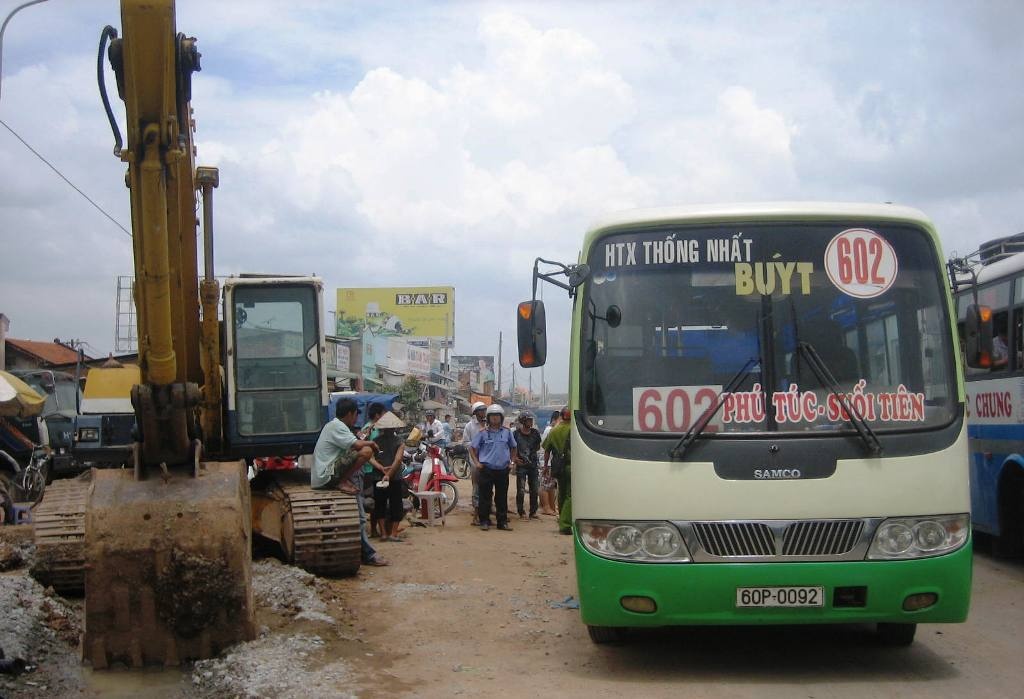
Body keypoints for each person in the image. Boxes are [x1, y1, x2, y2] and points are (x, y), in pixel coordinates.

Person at [312, 397, 388, 566]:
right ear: (350, 414)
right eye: (355, 415)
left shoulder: (335, 426)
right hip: (330, 473)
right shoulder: (338, 427)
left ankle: (365, 552)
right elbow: (357, 446)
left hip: (331, 471)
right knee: (366, 450)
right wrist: (372, 444)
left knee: (359, 516)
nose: (356, 418)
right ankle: (368, 554)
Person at [470, 404, 518, 531]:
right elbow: (472, 448)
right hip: (486, 469)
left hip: (502, 469)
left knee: (501, 497)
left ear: (501, 417)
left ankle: (502, 522)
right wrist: (477, 463)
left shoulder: (507, 432)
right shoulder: (482, 433)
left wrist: (511, 463)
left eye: (497, 416)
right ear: (488, 418)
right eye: (492, 416)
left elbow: (514, 447)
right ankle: (484, 521)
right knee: (485, 496)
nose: (495, 419)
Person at [369, 411, 408, 542]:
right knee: (396, 505)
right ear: (395, 427)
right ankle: (393, 533)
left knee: (379, 505)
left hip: (378, 477)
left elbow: (370, 458)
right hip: (395, 477)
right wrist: (389, 474)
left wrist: (381, 469)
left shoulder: (375, 441)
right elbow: (398, 460)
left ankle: (383, 534)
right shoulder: (400, 441)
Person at [542, 406, 572, 535]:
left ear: (561, 416)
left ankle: (561, 519)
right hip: (571, 466)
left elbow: (546, 450)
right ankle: (565, 524)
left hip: (557, 467)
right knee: (571, 495)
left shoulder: (554, 430)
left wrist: (545, 467)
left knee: (561, 492)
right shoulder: (574, 429)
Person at [513, 411, 542, 520]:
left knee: (534, 489)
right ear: (523, 421)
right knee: (520, 490)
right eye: (528, 420)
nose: (530, 422)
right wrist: (515, 459)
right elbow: (512, 448)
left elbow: (538, 446)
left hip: (533, 465)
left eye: (531, 420)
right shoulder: (516, 434)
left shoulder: (535, 433)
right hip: (521, 465)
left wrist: (531, 455)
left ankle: (533, 512)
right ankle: (521, 512)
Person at [463, 401, 487, 524]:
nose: (483, 413)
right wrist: (476, 446)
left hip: (488, 459)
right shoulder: (470, 426)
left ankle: (486, 509)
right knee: (476, 486)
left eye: (484, 410)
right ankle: (476, 510)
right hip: (475, 460)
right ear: (475, 413)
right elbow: (466, 442)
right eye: (481, 411)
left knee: (488, 486)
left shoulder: (490, 424)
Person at [538, 411, 560, 516]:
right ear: (555, 419)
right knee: (545, 486)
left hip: (550, 462)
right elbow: (546, 448)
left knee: (550, 486)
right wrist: (545, 464)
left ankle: (551, 507)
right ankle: (546, 507)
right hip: (547, 462)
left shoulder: (551, 429)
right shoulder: (550, 430)